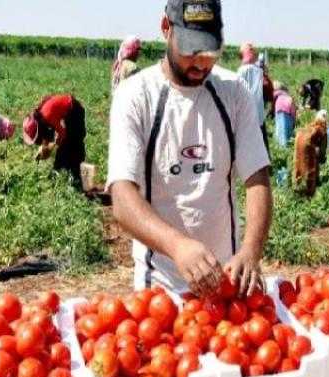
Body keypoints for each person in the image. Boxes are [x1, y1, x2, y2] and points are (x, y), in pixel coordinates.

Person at [107, 0, 272, 298]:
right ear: (165, 29)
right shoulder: (134, 97)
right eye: (190, 49)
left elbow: (257, 178)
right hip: (160, 291)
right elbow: (122, 197)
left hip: (227, 283)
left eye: (209, 51)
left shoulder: (234, 92)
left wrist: (250, 251)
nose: (200, 63)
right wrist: (177, 246)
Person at [22, 94, 87, 189]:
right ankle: (59, 171)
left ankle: (76, 178)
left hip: (75, 110)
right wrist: (43, 149)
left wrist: (54, 145)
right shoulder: (41, 118)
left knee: (73, 143)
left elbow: (62, 134)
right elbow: (47, 137)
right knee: (65, 147)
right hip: (67, 111)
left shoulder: (47, 116)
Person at [237, 43, 269, 152]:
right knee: (260, 151)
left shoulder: (247, 71)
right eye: (250, 49)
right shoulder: (256, 71)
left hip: (250, 118)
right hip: (255, 118)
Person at [293, 111, 328, 197]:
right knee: (310, 165)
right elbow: (322, 151)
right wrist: (322, 159)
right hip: (307, 142)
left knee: (299, 162)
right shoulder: (322, 130)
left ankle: (297, 187)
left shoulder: (311, 125)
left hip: (299, 138)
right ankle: (309, 194)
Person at [272, 81, 296, 147]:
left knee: (279, 128)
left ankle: (278, 143)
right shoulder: (288, 97)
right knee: (286, 129)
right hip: (288, 113)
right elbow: (293, 108)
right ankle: (284, 145)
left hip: (278, 111)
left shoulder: (276, 96)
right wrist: (294, 119)